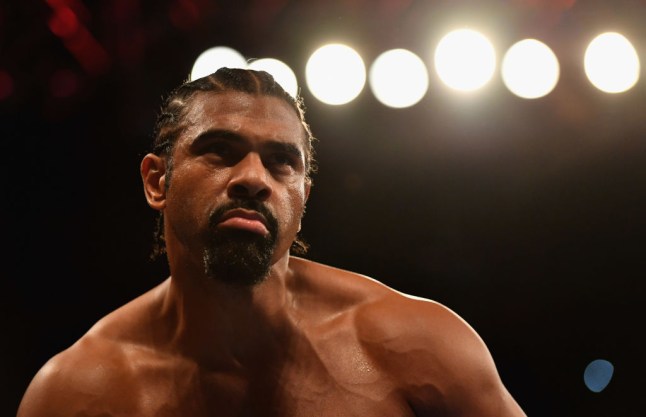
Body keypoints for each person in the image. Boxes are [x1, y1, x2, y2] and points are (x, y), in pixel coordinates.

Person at [17, 68, 526, 417]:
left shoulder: (419, 345)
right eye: (220, 151)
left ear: (303, 198)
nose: (254, 178)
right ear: (157, 181)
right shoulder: (81, 390)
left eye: (282, 161)